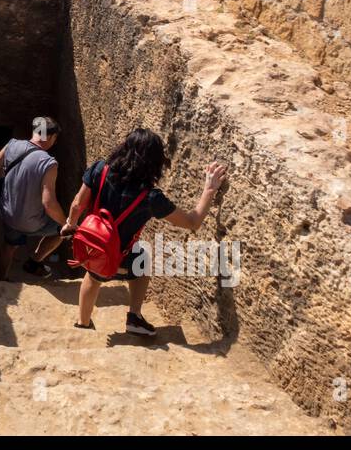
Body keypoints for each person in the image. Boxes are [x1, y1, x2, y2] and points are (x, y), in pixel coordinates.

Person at [63, 128, 228, 335]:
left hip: (92, 246)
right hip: (120, 257)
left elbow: (78, 204)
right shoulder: (151, 197)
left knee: (94, 275)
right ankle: (134, 316)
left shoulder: (99, 170)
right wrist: (209, 189)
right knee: (143, 259)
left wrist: (70, 224)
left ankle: (83, 323)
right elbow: (192, 222)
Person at [0, 116, 68, 280]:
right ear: (50, 137)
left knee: (9, 245)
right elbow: (48, 203)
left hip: (8, 215)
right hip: (30, 222)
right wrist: (66, 223)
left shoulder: (12, 144)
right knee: (61, 232)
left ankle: (2, 279)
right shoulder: (49, 163)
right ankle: (34, 261)